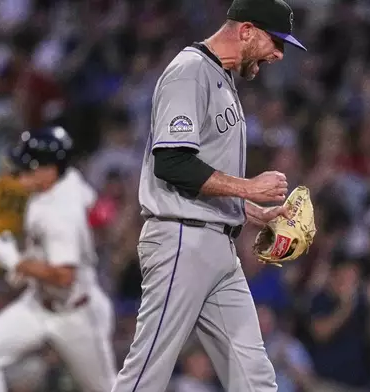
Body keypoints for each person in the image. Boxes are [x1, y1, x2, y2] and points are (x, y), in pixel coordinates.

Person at [111, 0, 307, 391]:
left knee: (255, 378)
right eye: (275, 41)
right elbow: (171, 163)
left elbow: (204, 173)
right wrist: (249, 186)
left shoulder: (222, 77)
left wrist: (247, 208)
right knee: (145, 376)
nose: (279, 54)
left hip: (218, 246)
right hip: (181, 241)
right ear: (247, 30)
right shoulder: (190, 71)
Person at [0, 126, 117, 392]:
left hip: (74, 314)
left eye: (28, 167)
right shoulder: (68, 179)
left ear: (48, 170)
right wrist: (30, 260)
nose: (19, 172)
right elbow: (95, 208)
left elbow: (64, 275)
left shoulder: (59, 215)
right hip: (37, 305)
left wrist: (17, 263)